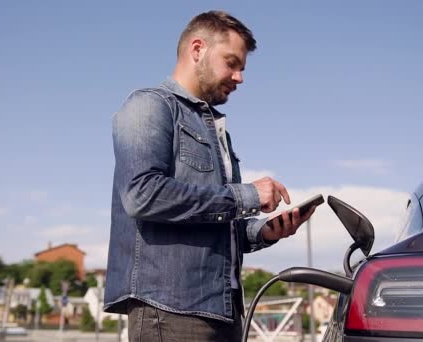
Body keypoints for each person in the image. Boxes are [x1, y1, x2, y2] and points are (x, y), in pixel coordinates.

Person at [104, 10, 316, 342]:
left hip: (225, 310)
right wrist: (248, 195)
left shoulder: (218, 133)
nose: (239, 77)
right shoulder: (149, 105)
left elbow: (218, 223)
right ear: (198, 49)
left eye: (242, 68)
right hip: (170, 310)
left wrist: (266, 232)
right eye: (231, 63)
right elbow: (142, 195)